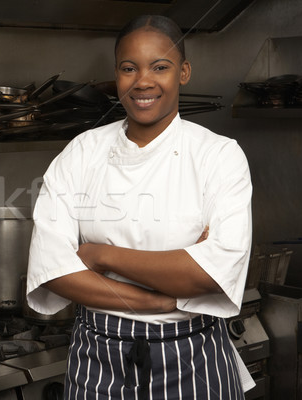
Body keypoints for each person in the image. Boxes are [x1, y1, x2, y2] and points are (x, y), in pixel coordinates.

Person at [26, 14, 254, 400]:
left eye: (160, 67)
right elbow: (54, 272)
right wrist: (165, 295)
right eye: (129, 68)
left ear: (183, 72)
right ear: (116, 76)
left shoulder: (218, 155)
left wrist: (99, 255)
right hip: (97, 358)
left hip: (193, 357)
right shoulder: (83, 151)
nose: (143, 81)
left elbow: (211, 275)